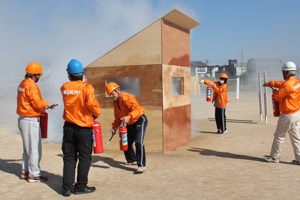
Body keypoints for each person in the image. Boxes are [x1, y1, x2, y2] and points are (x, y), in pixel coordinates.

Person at [60, 59, 101, 196]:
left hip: (68, 128)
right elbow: (92, 105)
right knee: (84, 157)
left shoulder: (64, 87)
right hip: (83, 128)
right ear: (82, 73)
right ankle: (80, 186)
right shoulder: (86, 87)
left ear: (69, 74)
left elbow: (71, 92)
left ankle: (66, 188)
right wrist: (96, 114)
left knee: (69, 157)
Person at [17, 62, 57, 183]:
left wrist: (46, 104)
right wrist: (48, 104)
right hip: (30, 120)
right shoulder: (32, 86)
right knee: (34, 149)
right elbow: (38, 104)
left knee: (27, 148)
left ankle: (25, 171)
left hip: (22, 118)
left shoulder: (23, 83)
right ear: (35, 75)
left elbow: (34, 100)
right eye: (39, 75)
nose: (40, 77)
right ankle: (34, 174)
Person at [263, 61, 300, 164]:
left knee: (279, 136)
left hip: (288, 114)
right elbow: (282, 84)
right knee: (296, 137)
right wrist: (270, 83)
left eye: (283, 72)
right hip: (296, 113)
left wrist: (274, 92)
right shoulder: (296, 82)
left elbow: (278, 96)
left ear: (287, 73)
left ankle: (275, 156)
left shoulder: (287, 84)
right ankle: (299, 158)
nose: (282, 74)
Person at [106, 82, 148, 173]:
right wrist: (114, 127)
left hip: (139, 120)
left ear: (117, 90)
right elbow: (118, 118)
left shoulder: (128, 98)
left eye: (112, 94)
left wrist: (129, 116)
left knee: (138, 142)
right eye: (110, 95)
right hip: (129, 123)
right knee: (126, 142)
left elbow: (138, 110)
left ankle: (141, 165)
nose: (111, 96)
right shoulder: (115, 103)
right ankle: (132, 160)